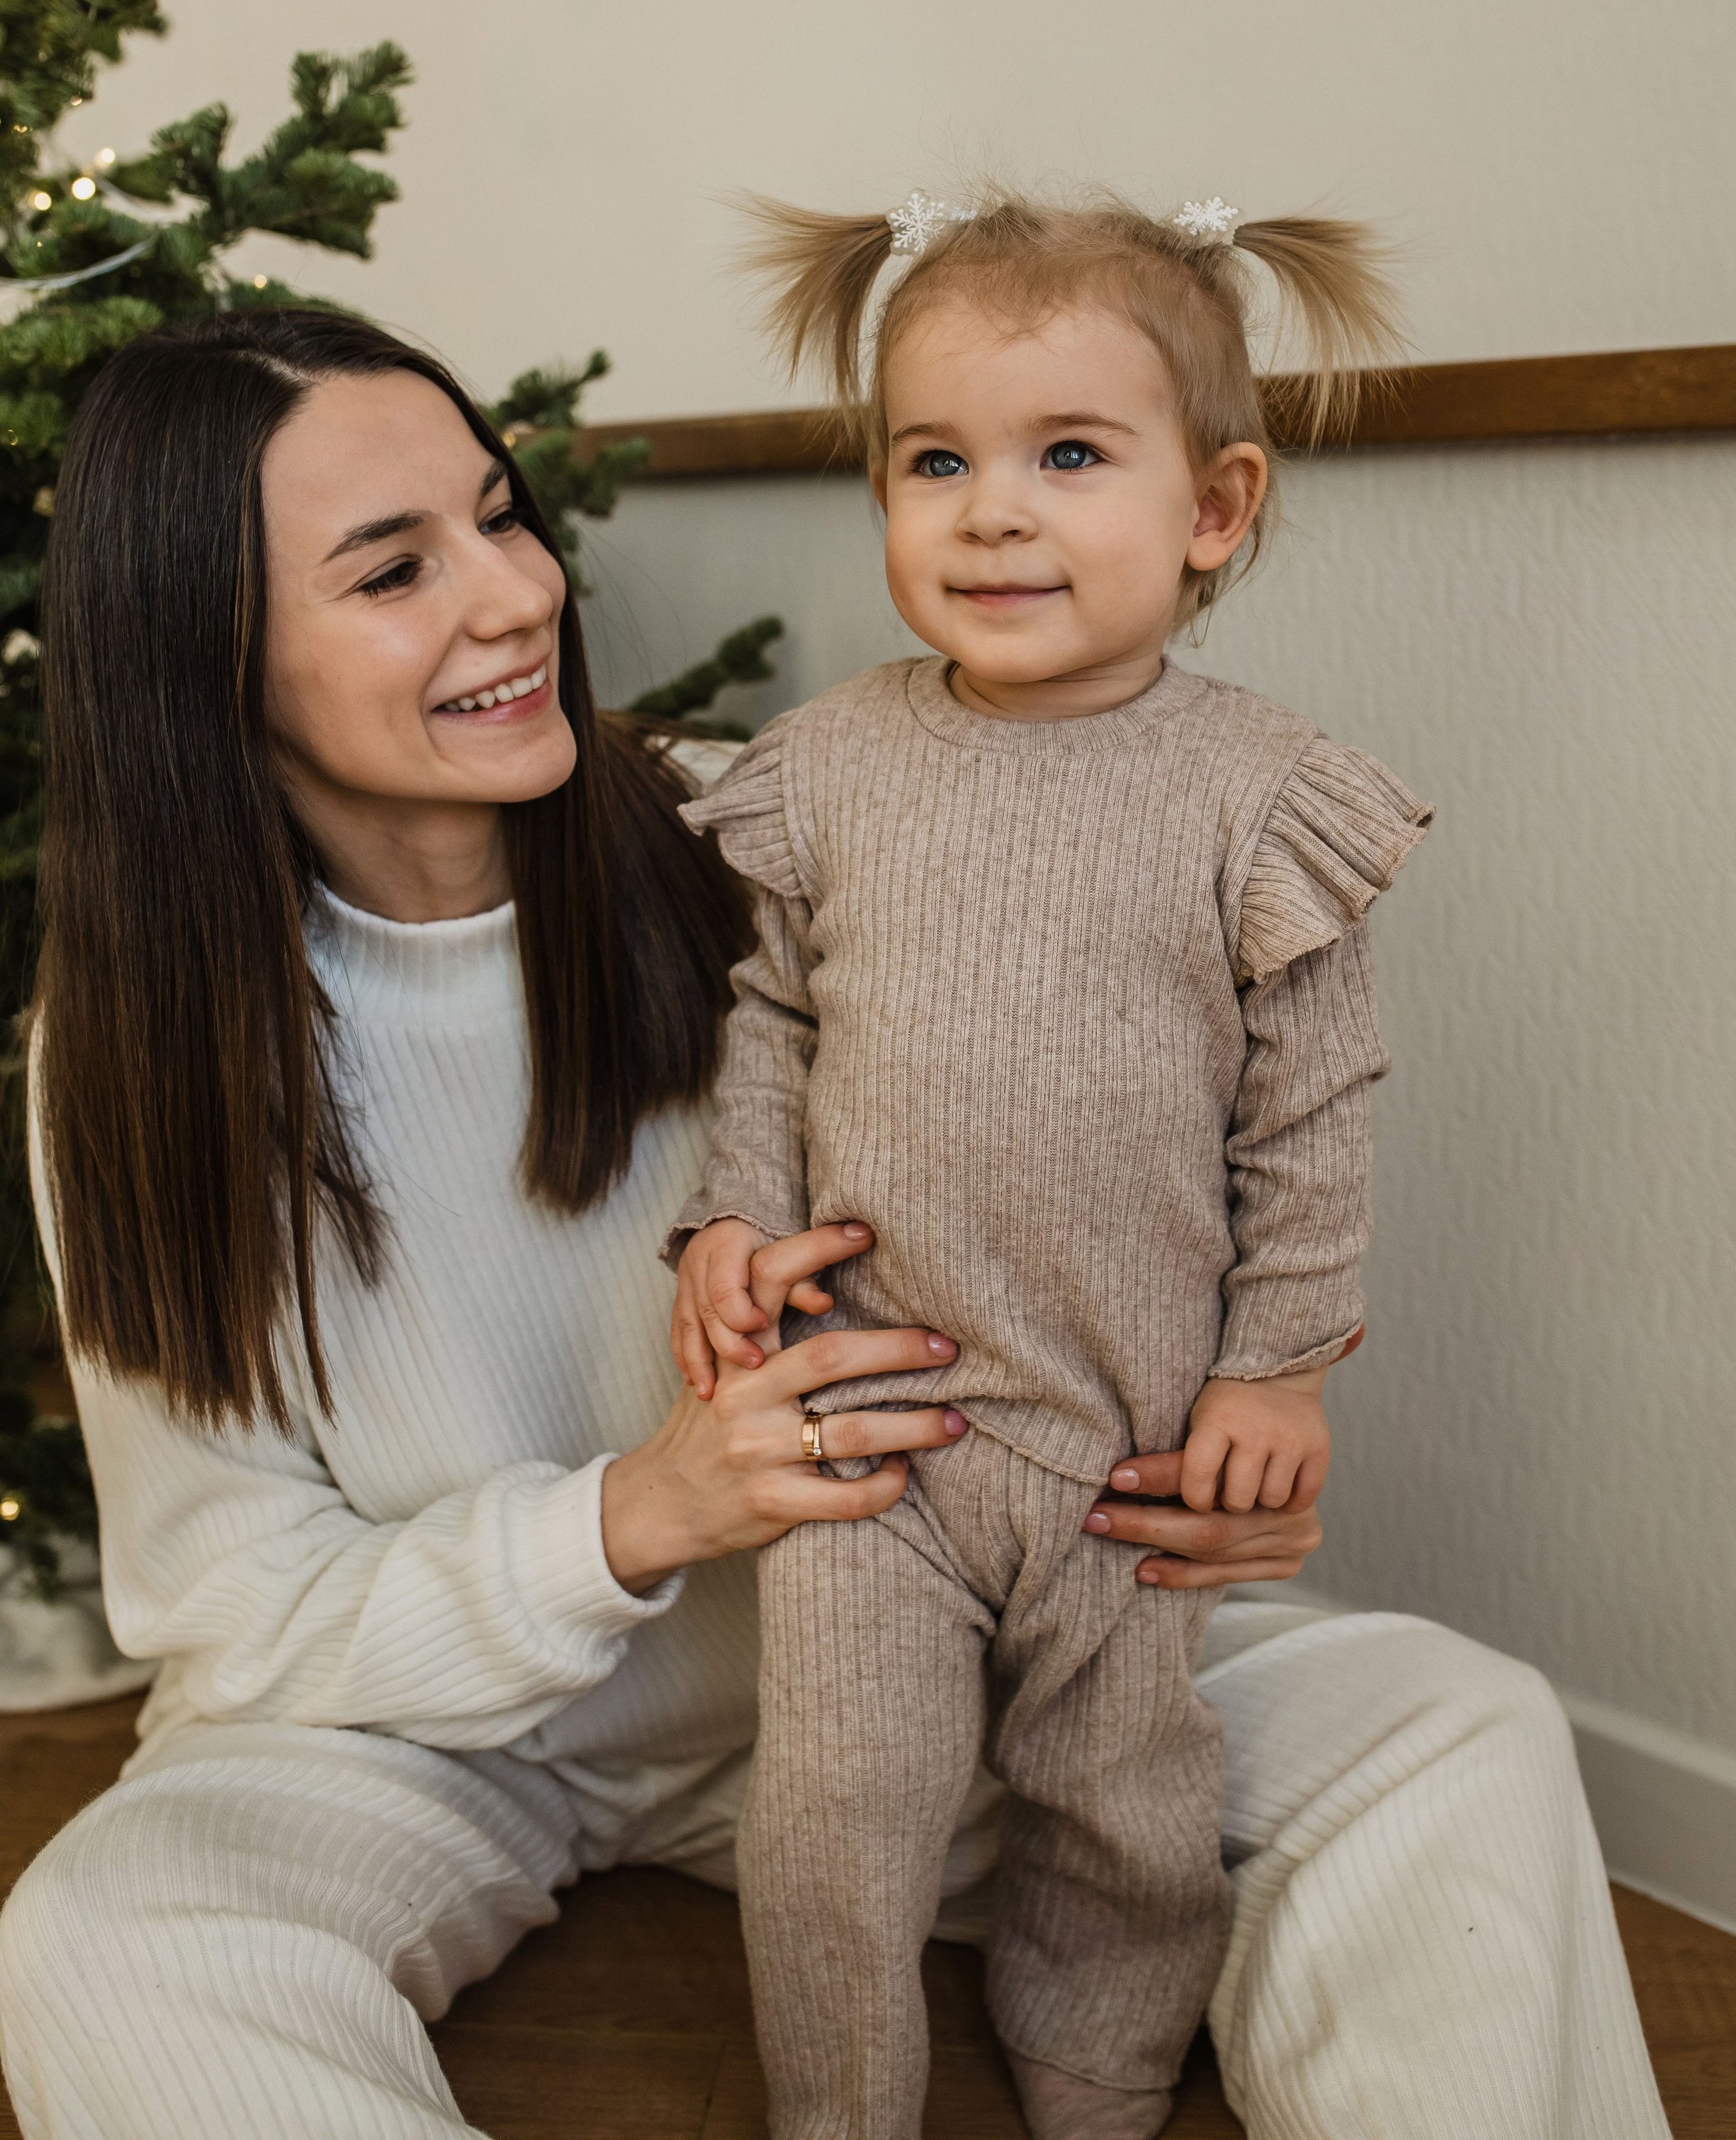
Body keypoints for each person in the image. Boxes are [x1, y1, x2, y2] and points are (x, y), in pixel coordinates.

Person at [0, 308, 1667, 2140]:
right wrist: (640, 1515)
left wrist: (1217, 1417)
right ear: (205, 658)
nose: (513, 596)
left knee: (1457, 1726)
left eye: (501, 515)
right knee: (99, 1938)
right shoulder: (137, 1041)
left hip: (913, 1671)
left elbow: (1151, 1149)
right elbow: (231, 1609)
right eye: (395, 569)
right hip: (443, 1748)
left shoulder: (785, 818)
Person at [670, 187, 1432, 2140]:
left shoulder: (1258, 795)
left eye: (1067, 456)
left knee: (1129, 1802)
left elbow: (1313, 1112)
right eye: (937, 461)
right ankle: (839, 2101)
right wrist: (733, 1225)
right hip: (883, 1429)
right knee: (835, 1806)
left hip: (1132, 1435)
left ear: (1212, 508)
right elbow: (771, 1022)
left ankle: (1094, 2062)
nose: (992, 510)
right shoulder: (834, 764)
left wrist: (1278, 1363)